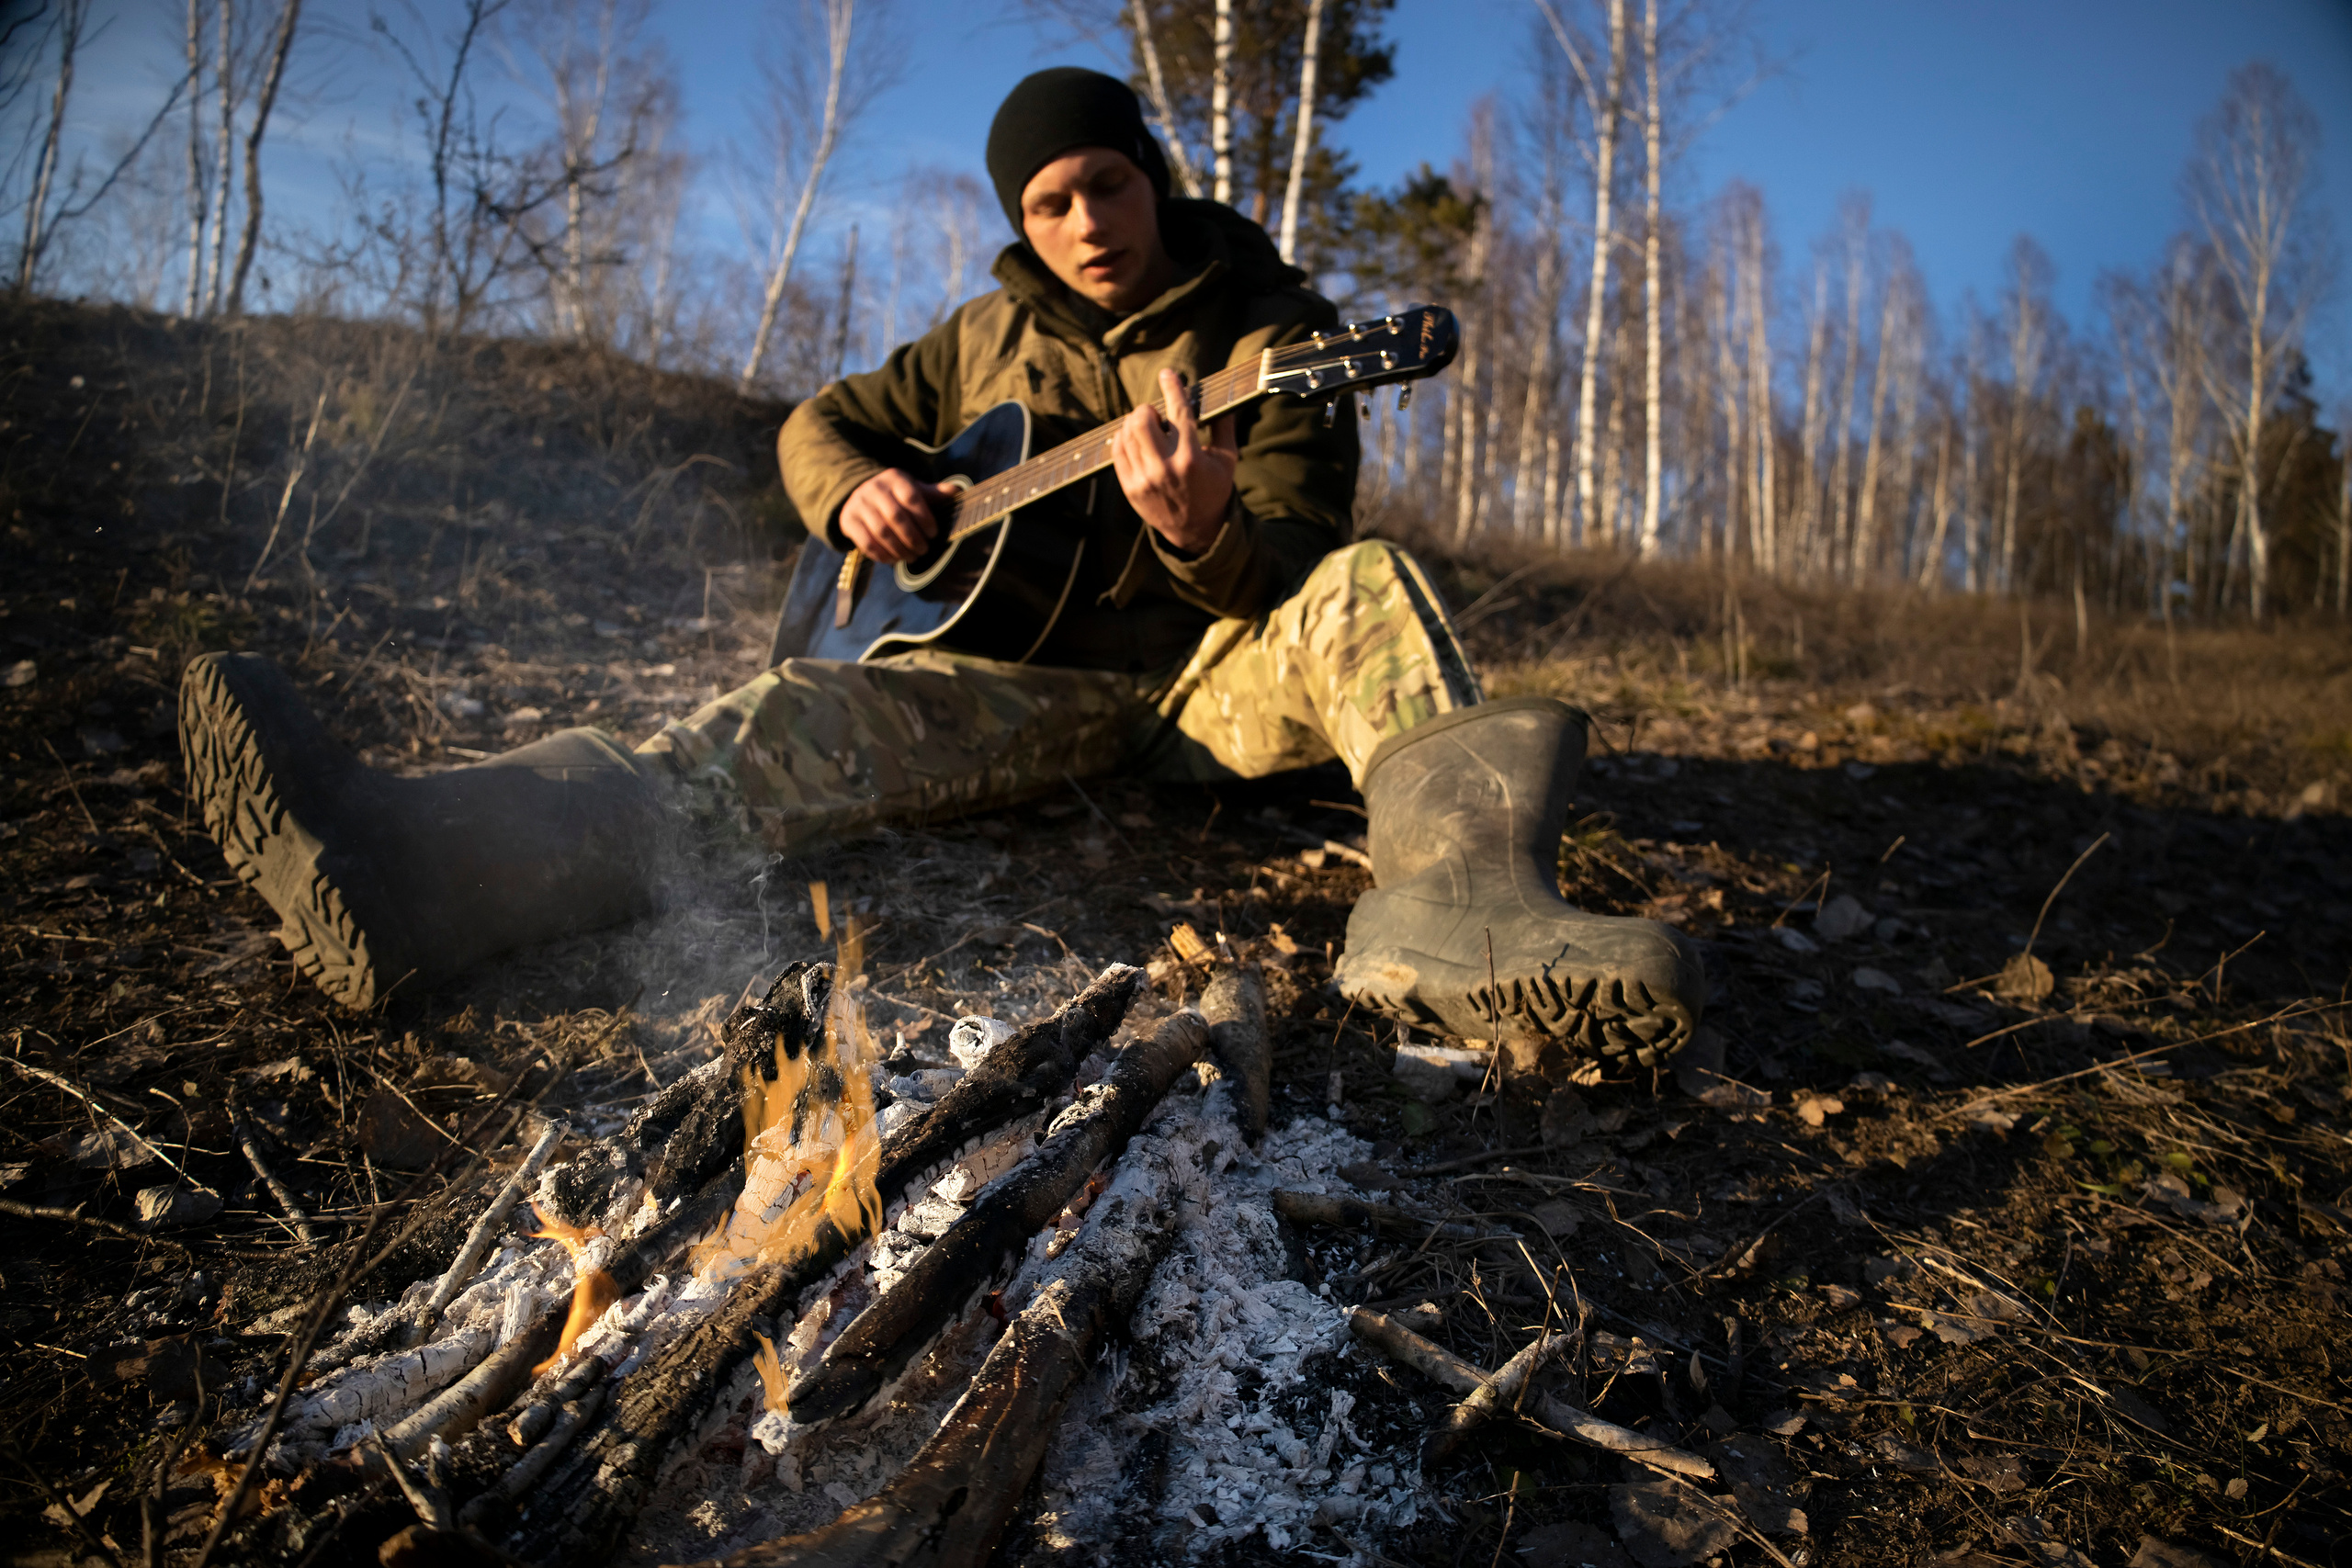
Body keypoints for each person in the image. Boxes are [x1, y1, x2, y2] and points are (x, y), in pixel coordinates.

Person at [177, 68, 1702, 1075]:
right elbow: (815, 422)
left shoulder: (1270, 335)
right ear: (1018, 219)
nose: (1085, 220)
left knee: (1369, 579)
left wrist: (1198, 528)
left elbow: (1289, 575)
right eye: (1049, 200)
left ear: (1151, 180)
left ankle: (1463, 906)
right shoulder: (978, 340)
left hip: (1194, 674)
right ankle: (420, 866)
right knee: (777, 715)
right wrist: (859, 497)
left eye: (1106, 182)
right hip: (1008, 681)